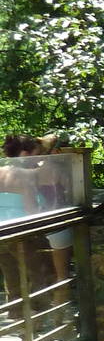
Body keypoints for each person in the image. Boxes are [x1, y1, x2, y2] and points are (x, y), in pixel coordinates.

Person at [1, 134, 74, 326]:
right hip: (24, 233)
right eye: (35, 152)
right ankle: (37, 325)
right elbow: (31, 210)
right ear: (25, 154)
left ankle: (20, 325)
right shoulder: (24, 175)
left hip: (2, 234)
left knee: (13, 280)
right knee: (37, 279)